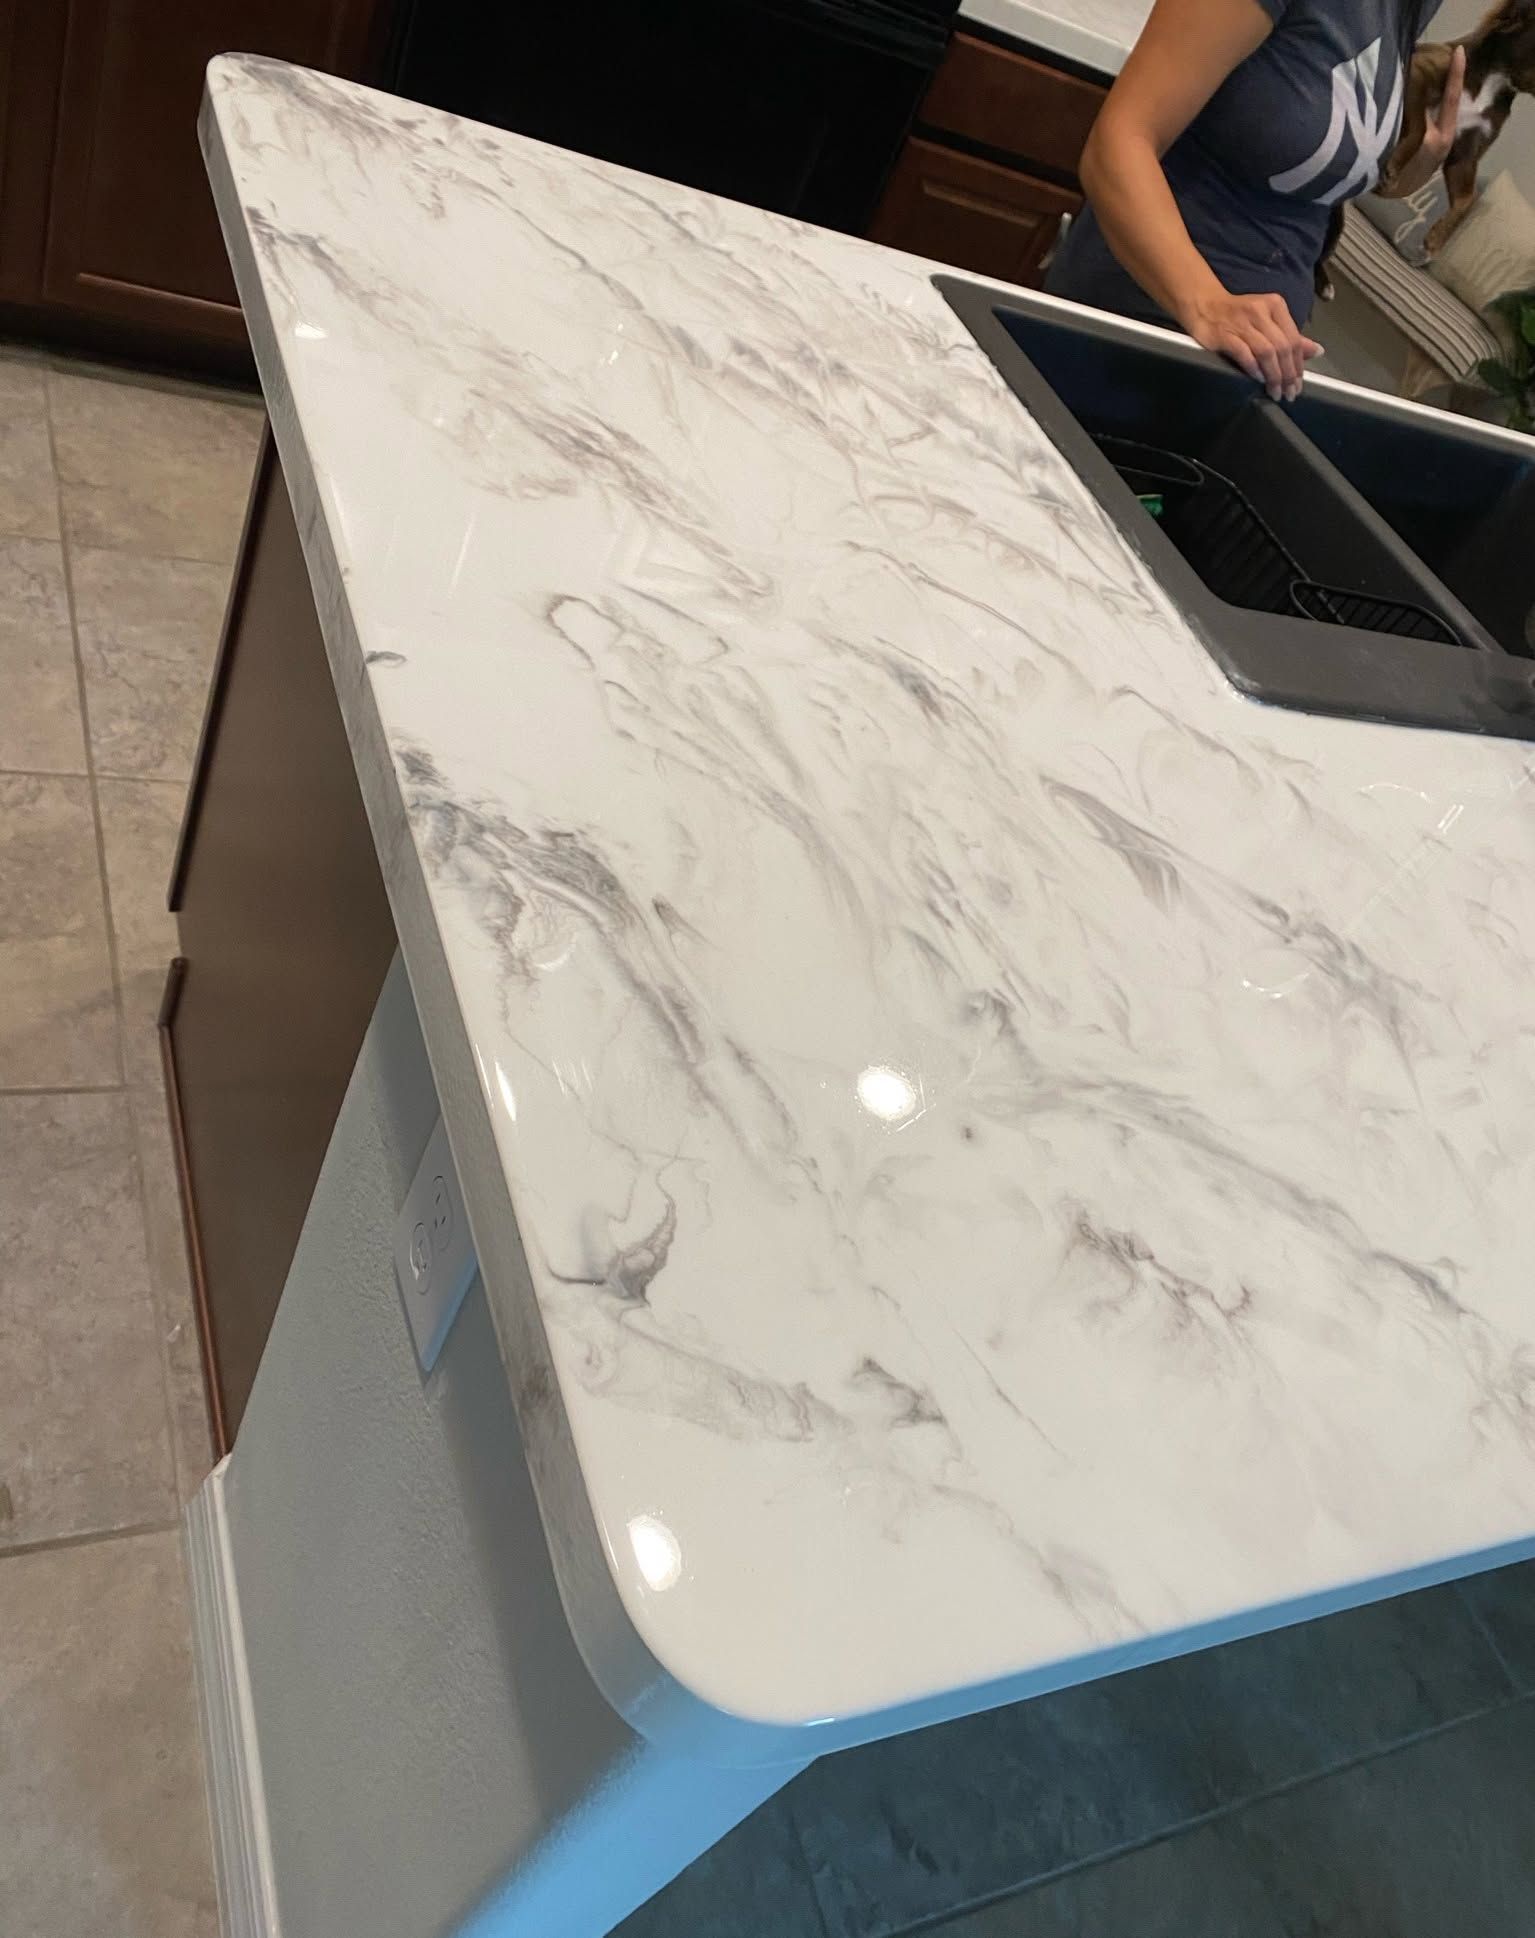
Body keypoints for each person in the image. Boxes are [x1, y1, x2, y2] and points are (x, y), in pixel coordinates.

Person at [1045, 0, 1466, 401]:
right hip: (1136, 327)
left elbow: (1307, 136)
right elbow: (1119, 141)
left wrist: (1403, 169)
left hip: (1252, 360)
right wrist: (1207, 303)